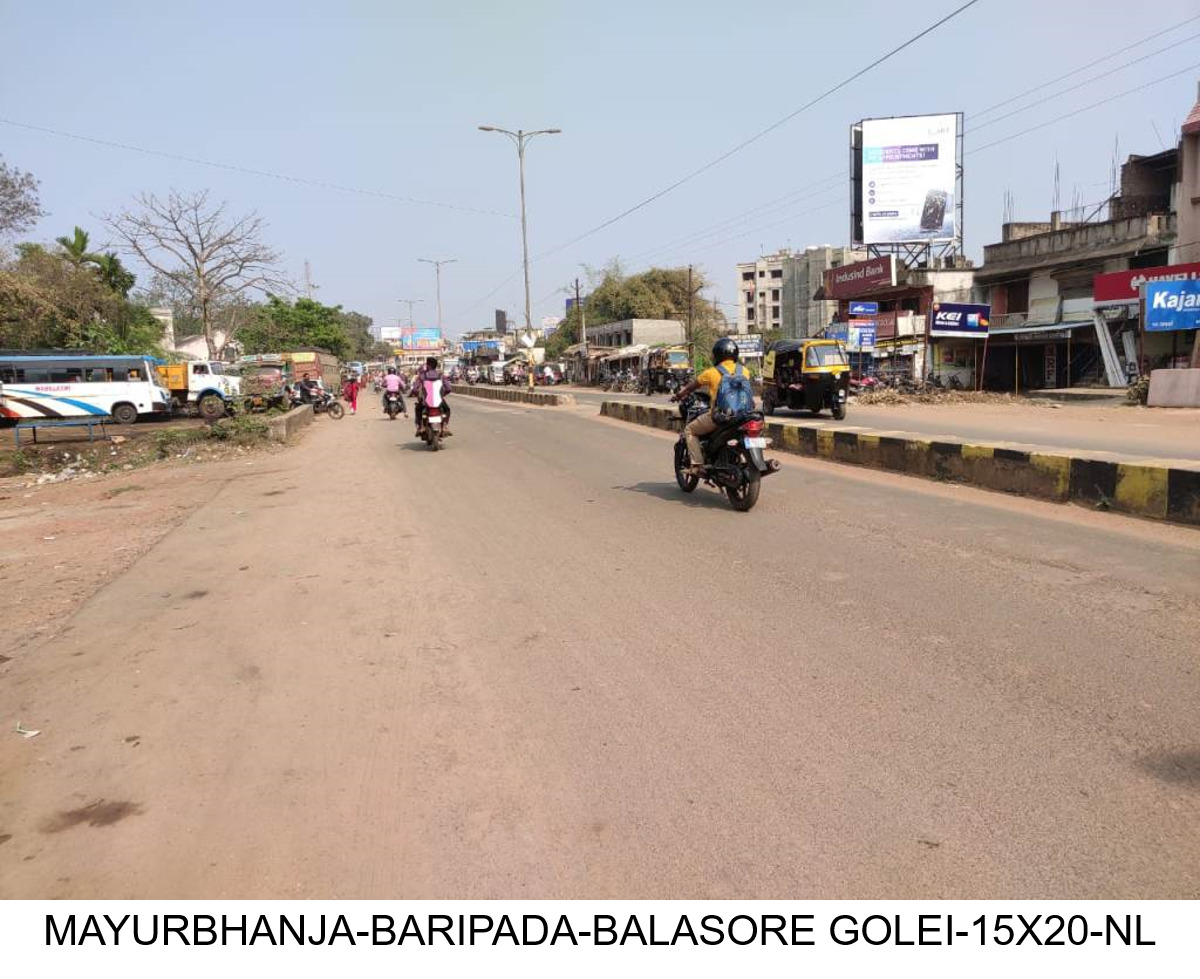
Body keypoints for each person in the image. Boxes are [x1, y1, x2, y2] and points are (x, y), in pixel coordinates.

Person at [671, 337, 751, 476]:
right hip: (743, 415)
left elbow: (691, 387)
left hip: (721, 416)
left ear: (717, 354)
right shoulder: (744, 371)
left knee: (689, 430)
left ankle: (697, 465)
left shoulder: (711, 372)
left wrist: (678, 395)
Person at [411, 356, 452, 436]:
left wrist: (417, 396)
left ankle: (420, 427)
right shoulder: (440, 375)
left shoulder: (422, 376)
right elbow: (448, 388)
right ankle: (444, 426)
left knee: (418, 410)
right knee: (447, 410)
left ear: (428, 365)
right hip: (439, 400)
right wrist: (442, 395)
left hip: (425, 401)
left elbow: (415, 389)